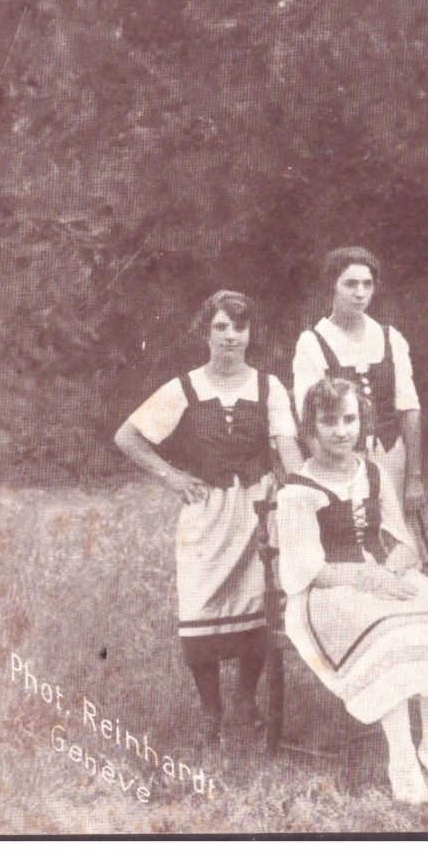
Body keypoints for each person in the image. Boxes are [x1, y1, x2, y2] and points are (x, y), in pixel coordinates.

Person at [114, 291, 301, 742]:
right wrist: (172, 477)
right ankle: (210, 712)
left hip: (257, 511)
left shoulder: (267, 387)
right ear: (206, 332)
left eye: (239, 327)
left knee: (258, 606)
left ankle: (245, 700)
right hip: (206, 514)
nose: (231, 336)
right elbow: (128, 437)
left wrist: (300, 488)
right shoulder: (184, 389)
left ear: (250, 333)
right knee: (200, 607)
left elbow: (288, 450)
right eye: (221, 327)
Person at [274, 377, 428, 804]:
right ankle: (401, 756)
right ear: (311, 427)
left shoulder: (373, 472)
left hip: (376, 577)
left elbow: (402, 541)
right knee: (388, 631)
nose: (341, 431)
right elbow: (307, 569)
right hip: (324, 592)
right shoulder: (297, 490)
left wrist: (394, 570)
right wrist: (368, 579)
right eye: (329, 421)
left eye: (349, 419)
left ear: (363, 422)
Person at [292, 246, 428, 561]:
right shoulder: (313, 342)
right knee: (352, 535)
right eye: (350, 284)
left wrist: (414, 478)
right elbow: (309, 419)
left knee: (397, 537)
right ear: (332, 287)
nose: (360, 293)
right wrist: (330, 472)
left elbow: (409, 408)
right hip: (341, 457)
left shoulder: (390, 337)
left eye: (367, 284)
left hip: (391, 453)